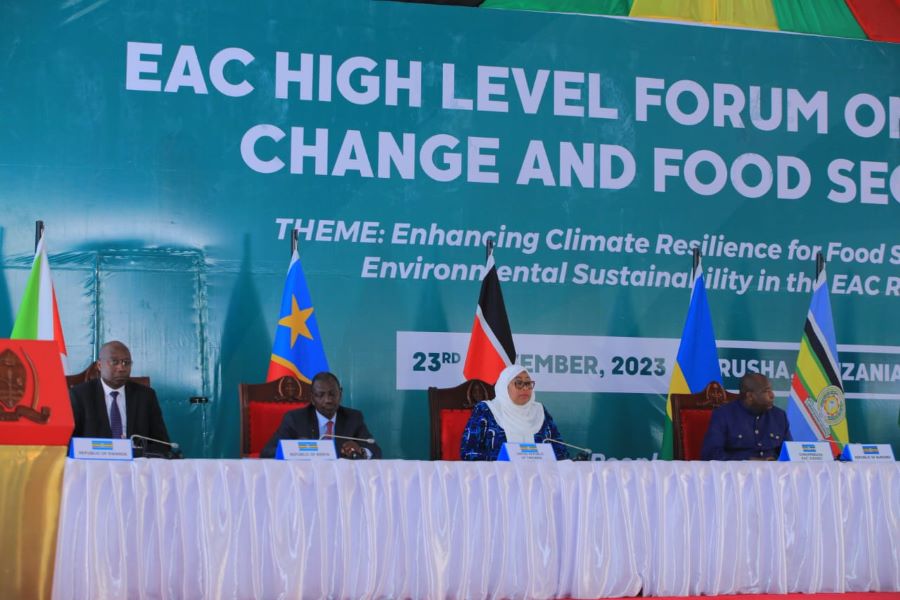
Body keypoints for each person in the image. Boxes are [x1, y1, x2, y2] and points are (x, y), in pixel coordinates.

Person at [69, 341, 172, 456]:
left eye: (126, 362)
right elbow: (70, 442)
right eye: (115, 362)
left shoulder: (146, 396)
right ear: (99, 365)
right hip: (94, 465)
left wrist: (130, 452)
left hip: (136, 466)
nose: (121, 368)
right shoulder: (79, 395)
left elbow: (162, 444)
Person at [259, 371, 382, 459]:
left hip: (342, 483)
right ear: (312, 398)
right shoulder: (295, 419)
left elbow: (376, 451)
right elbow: (267, 452)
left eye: (332, 394)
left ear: (341, 394)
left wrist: (360, 451)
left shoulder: (353, 418)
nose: (328, 400)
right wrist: (296, 448)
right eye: (320, 395)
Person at [460, 364, 569, 461]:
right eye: (518, 383)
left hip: (539, 479)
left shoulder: (540, 411)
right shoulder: (486, 410)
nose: (525, 388)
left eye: (528, 383)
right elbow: (468, 452)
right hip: (497, 479)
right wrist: (510, 457)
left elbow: (561, 451)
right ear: (504, 387)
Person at [700, 372, 791, 461]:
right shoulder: (723, 415)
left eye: (771, 390)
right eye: (766, 391)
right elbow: (711, 454)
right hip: (737, 474)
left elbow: (790, 453)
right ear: (750, 396)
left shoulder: (779, 416)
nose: (772, 395)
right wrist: (747, 461)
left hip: (774, 474)